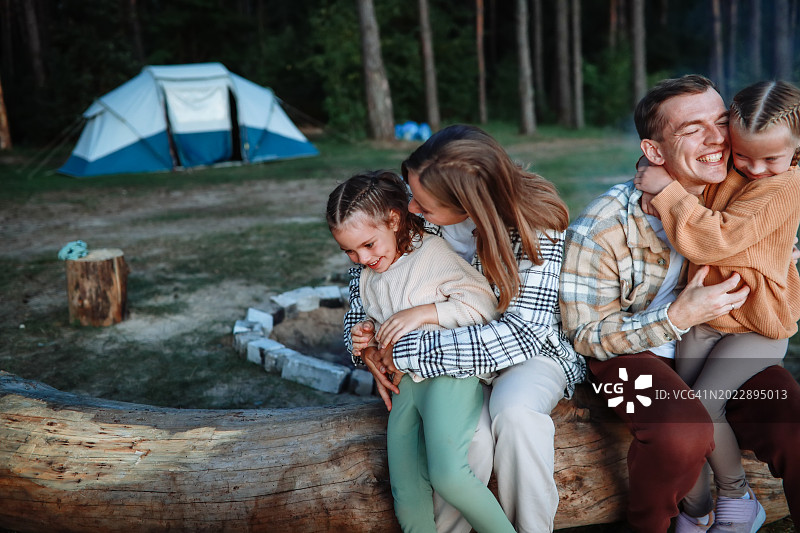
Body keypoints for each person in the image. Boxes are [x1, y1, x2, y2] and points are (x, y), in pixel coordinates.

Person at [560, 74, 800, 533]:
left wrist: (780, 256)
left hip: (731, 332)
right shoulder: (605, 224)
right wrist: (676, 316)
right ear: (653, 152)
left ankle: (738, 505)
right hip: (629, 351)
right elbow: (586, 335)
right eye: (693, 130)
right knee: (683, 428)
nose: (717, 140)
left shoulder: (743, 181)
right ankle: (682, 516)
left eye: (720, 122)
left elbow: (748, 227)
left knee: (791, 418)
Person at [345, 125, 587, 533]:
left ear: (471, 204)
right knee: (465, 442)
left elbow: (520, 335)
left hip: (527, 356)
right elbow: (366, 276)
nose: (413, 211)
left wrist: (404, 350)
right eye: (412, 196)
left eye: (425, 206)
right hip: (451, 361)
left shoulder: (536, 228)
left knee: (515, 415)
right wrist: (365, 338)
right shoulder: (415, 210)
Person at [632, 80, 800, 532]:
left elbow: (717, 239)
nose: (755, 168)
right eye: (743, 155)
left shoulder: (784, 186)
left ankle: (738, 498)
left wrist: (666, 192)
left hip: (757, 325)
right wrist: (662, 175)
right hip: (708, 315)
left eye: (771, 158)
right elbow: (694, 179)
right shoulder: (737, 168)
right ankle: (698, 509)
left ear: (797, 151)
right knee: (683, 412)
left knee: (704, 406)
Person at [326, 171, 514, 533]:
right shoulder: (369, 275)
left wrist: (426, 312)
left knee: (448, 476)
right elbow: (372, 314)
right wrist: (364, 336)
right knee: (406, 490)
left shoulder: (431, 253)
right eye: (349, 250)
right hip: (402, 386)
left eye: (368, 245)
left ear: (393, 220)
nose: (361, 258)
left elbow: (483, 306)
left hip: (446, 376)